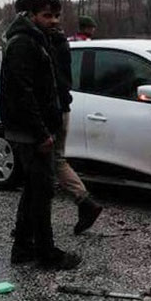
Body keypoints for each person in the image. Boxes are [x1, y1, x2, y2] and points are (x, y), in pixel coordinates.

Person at [0, 0, 81, 269]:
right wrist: (42, 132)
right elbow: (22, 93)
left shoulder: (38, 39)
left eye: (56, 15)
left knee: (34, 190)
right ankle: (46, 253)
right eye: (47, 15)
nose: (53, 20)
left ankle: (23, 247)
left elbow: (51, 85)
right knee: (42, 191)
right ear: (31, 15)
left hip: (37, 128)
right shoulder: (23, 43)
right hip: (31, 132)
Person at [43, 15, 103, 234]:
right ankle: (84, 202)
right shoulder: (66, 43)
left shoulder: (52, 44)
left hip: (52, 110)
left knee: (44, 165)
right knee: (55, 160)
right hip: (64, 106)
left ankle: (32, 222)